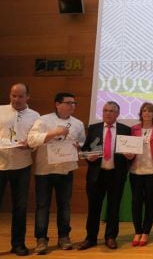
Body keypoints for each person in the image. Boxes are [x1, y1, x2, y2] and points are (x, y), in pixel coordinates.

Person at [27, 92, 85, 254]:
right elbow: (31, 140)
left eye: (74, 103)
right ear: (57, 104)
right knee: (42, 206)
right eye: (68, 103)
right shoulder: (43, 120)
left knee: (65, 205)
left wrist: (79, 147)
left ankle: (64, 236)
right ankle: (41, 239)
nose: (72, 106)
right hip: (44, 170)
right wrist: (54, 133)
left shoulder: (78, 124)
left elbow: (81, 143)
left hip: (65, 170)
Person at [77, 101, 131, 250]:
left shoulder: (126, 129)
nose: (108, 113)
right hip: (96, 175)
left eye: (111, 111)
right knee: (94, 208)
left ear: (118, 114)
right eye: (105, 110)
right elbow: (85, 150)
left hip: (116, 175)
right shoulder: (94, 128)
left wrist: (130, 156)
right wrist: (88, 156)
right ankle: (91, 238)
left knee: (114, 208)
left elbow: (131, 152)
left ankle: (111, 237)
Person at [0, 83, 39, 256]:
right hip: (0, 164)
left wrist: (30, 146)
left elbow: (36, 140)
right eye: (13, 95)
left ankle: (18, 244)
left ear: (28, 97)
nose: (16, 99)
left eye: (20, 96)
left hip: (22, 166)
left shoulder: (35, 116)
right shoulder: (0, 111)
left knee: (20, 207)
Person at [128, 102, 153, 246]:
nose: (147, 113)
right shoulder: (133, 129)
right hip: (135, 170)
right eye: (144, 111)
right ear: (140, 114)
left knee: (149, 201)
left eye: (150, 111)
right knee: (136, 201)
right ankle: (137, 231)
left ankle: (146, 232)